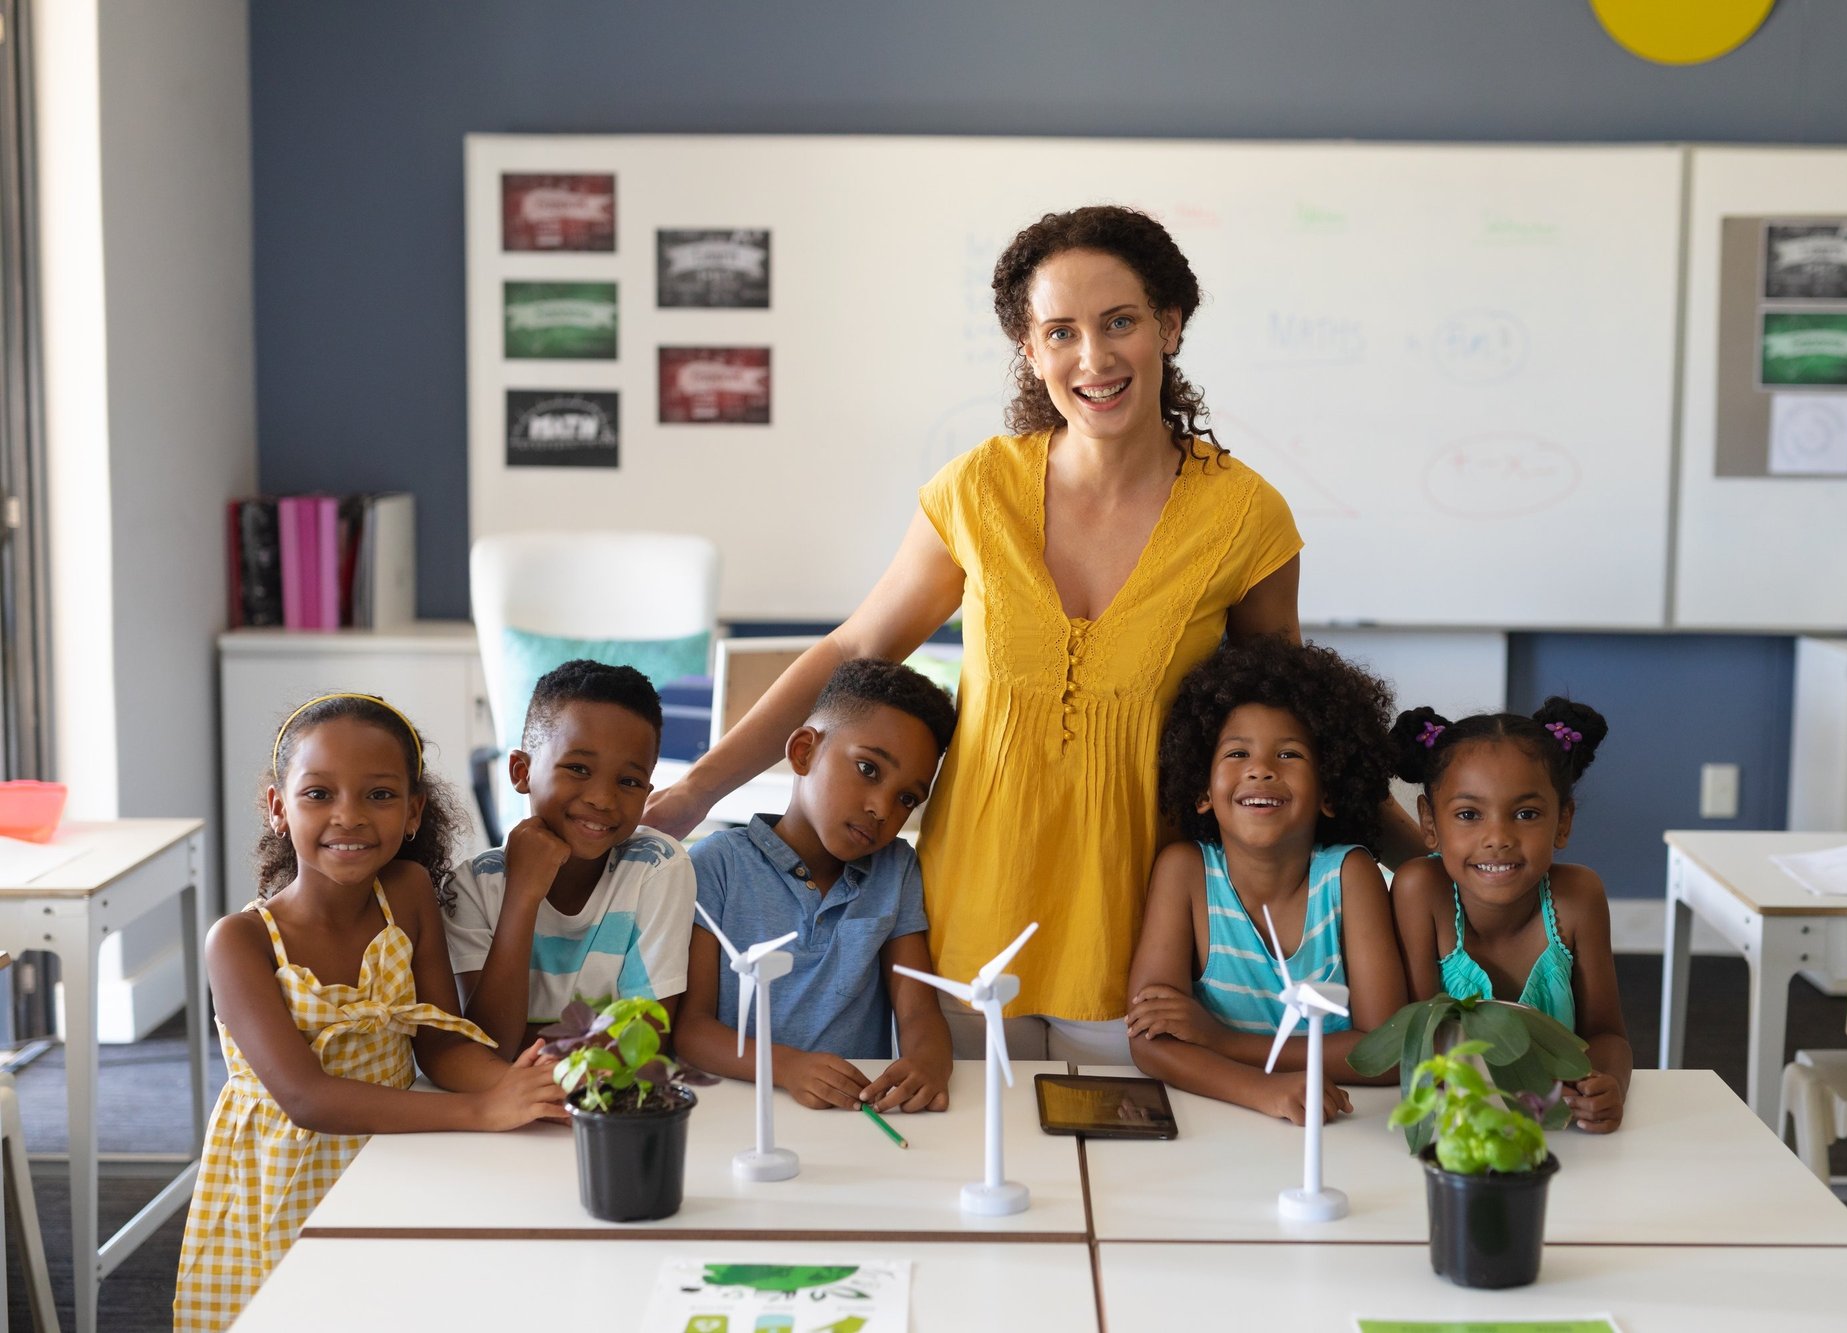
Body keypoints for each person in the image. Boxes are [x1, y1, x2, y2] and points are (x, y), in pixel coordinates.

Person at [646, 204, 1423, 1065]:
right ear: (1029, 347)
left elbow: (1295, 723)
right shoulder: (979, 489)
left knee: (1134, 1186)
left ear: (1169, 325)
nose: (1093, 358)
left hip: (1144, 943)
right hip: (966, 930)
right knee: (969, 1181)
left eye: (1120, 322)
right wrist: (692, 793)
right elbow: (847, 655)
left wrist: (1429, 859)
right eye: (1061, 331)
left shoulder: (1246, 516)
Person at [174, 694, 568, 1331]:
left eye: (379, 795)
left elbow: (440, 1044)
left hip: (397, 1148)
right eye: (318, 794)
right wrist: (483, 1109)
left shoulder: (408, 894)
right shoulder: (240, 941)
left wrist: (538, 1091)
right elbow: (307, 1099)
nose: (349, 817)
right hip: (282, 1178)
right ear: (279, 808)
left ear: (413, 811)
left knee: (391, 1307)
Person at [1125, 637, 1408, 1123]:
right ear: (1202, 791)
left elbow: (1386, 1051)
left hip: (1343, 1125)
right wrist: (1264, 1091)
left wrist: (1222, 1042)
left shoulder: (1349, 876)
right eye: (1237, 754)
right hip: (1224, 1121)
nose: (1260, 770)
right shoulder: (1185, 872)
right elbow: (1151, 1041)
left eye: (1290, 755)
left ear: (1329, 791)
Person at [678, 659, 955, 1111]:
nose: (883, 808)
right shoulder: (716, 864)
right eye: (869, 769)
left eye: (907, 798)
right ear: (804, 751)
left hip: (850, 1116)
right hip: (737, 1107)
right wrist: (787, 1067)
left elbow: (918, 1010)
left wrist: (929, 1061)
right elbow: (691, 1031)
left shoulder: (896, 871)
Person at [1386, 698, 1632, 1133]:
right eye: (1468, 815)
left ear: (1563, 822)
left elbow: (1608, 1034)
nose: (1497, 837)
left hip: (1555, 1134)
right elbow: (1420, 1040)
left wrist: (1606, 1084)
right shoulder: (1420, 891)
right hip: (1453, 1129)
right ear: (1429, 822)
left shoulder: (1579, 897)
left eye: (1526, 814)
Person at [445, 660, 696, 1057]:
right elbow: (488, 1047)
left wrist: (533, 1043)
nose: (602, 798)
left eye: (629, 781)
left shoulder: (657, 868)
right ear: (520, 771)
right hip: (512, 1110)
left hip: (607, 1102)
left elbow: (647, 1037)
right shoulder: (471, 888)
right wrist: (522, 897)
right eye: (578, 769)